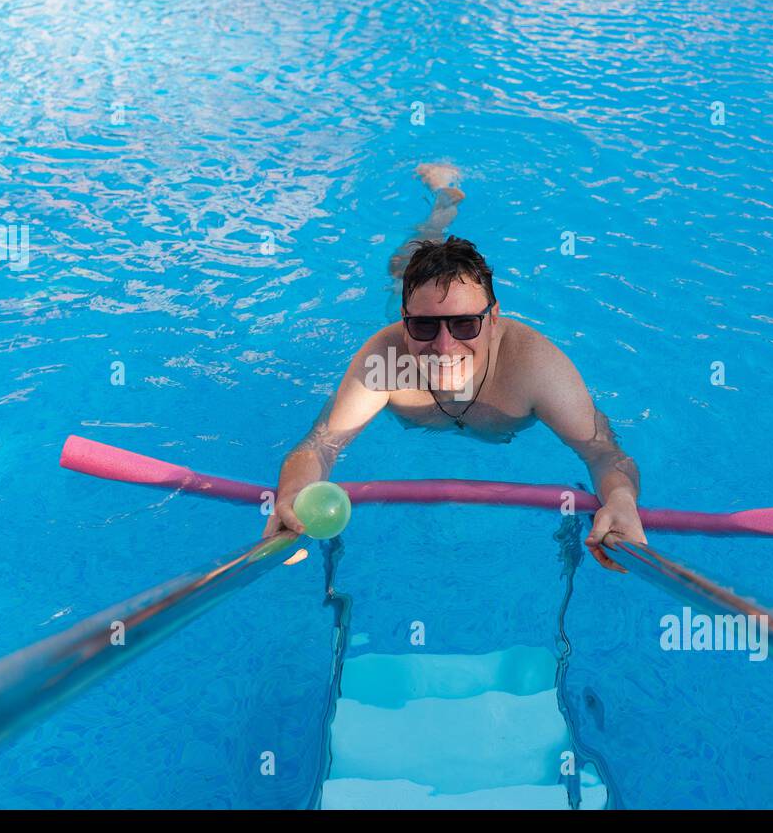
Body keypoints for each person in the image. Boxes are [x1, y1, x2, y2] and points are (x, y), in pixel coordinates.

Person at [263, 163, 646, 571]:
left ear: (494, 318)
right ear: (405, 322)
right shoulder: (385, 360)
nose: (445, 347)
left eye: (465, 324)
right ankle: (441, 206)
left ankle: (446, 197)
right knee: (402, 269)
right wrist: (293, 494)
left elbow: (603, 452)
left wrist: (621, 499)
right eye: (424, 325)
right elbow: (321, 444)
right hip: (406, 300)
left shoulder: (535, 367)